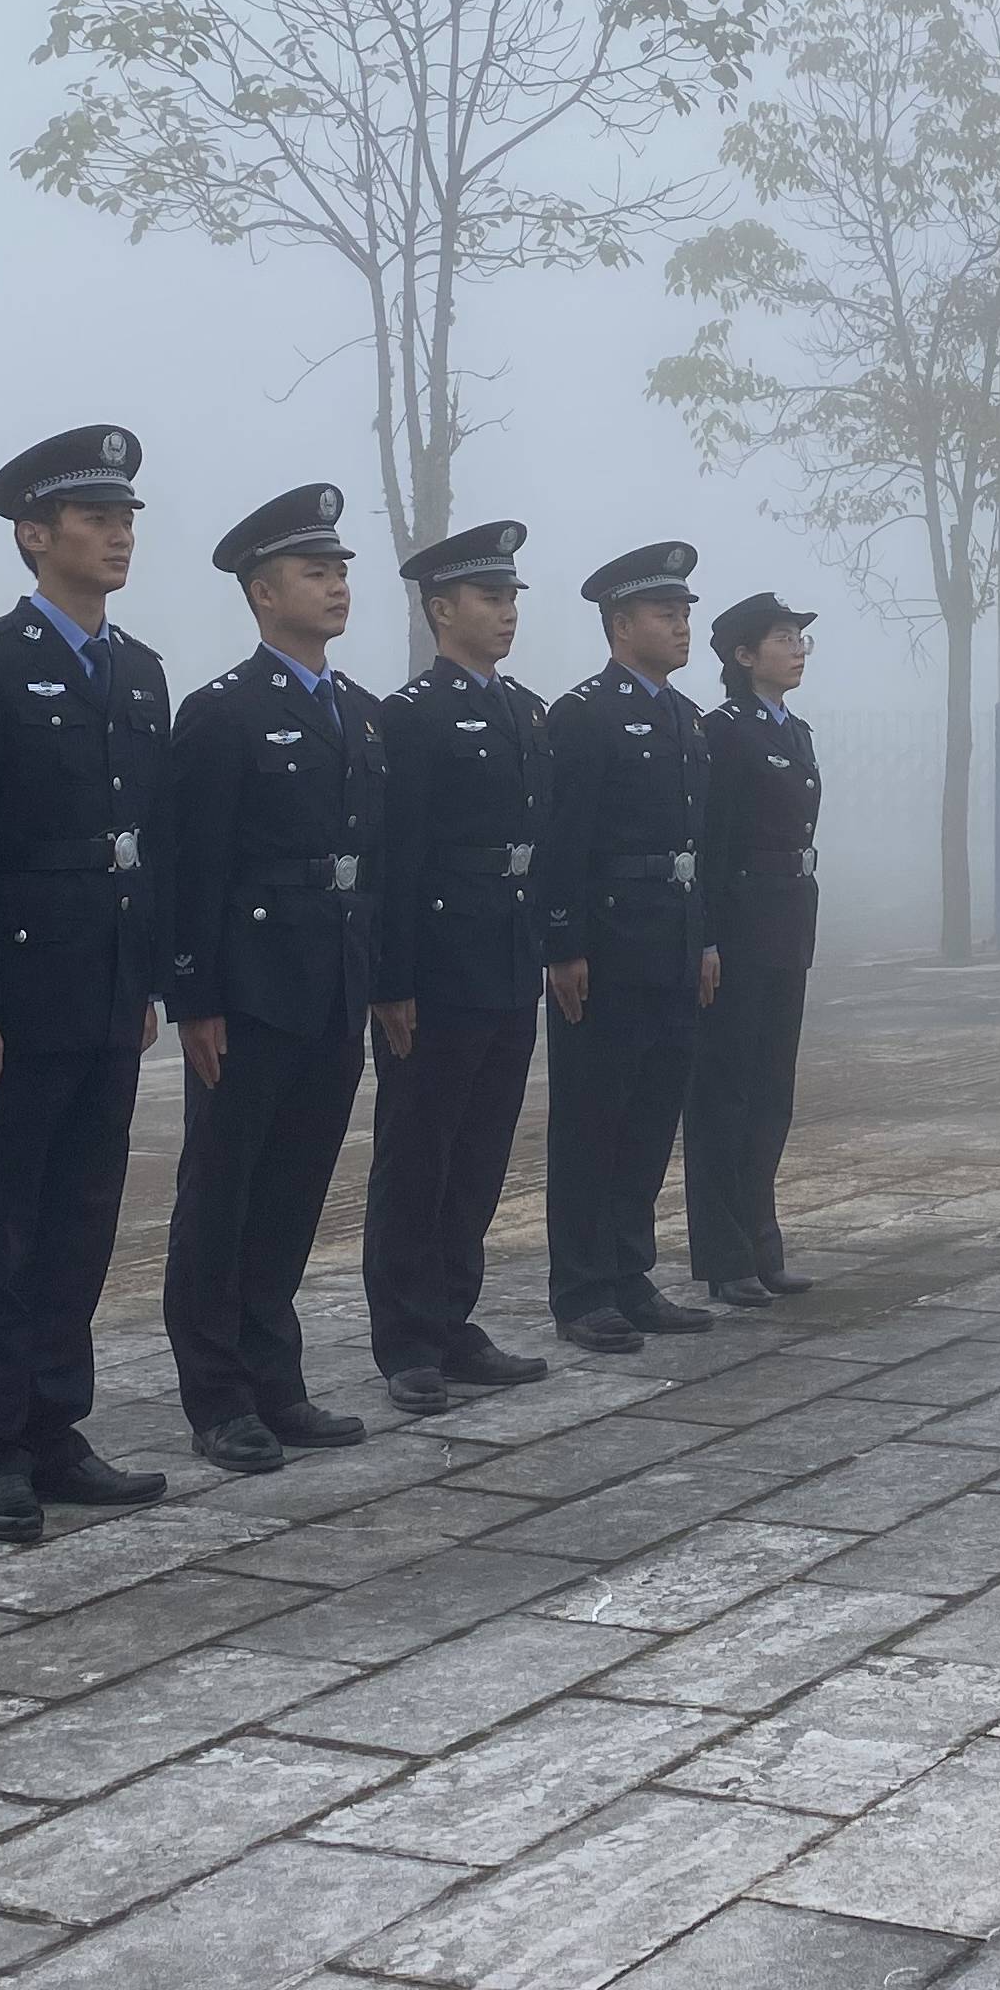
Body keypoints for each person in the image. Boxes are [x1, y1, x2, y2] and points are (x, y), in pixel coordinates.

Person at [0, 425, 171, 1541]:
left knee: (84, 1213)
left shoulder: (139, 671)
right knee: (4, 1220)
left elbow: (148, 841)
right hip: (21, 990)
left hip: (107, 983)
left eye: (126, 516)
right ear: (35, 537)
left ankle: (55, 1427)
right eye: (93, 518)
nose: (119, 534)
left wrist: (147, 980)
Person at [161, 482, 388, 1471]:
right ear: (262, 592)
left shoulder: (362, 716)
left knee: (295, 1192)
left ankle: (276, 1379)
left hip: (331, 983)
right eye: (313, 572)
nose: (336, 586)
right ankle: (217, 1397)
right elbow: (192, 867)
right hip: (250, 989)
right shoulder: (222, 715)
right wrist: (196, 998)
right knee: (224, 1193)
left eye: (340, 570)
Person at [363, 522, 560, 1416]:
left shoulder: (525, 711)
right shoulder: (407, 718)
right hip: (438, 965)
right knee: (420, 1151)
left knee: (480, 1152)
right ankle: (405, 1338)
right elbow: (394, 857)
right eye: (489, 598)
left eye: (512, 596)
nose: (507, 612)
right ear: (441, 610)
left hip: (506, 954)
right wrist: (391, 980)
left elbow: (541, 846)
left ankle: (453, 1318)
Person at [538, 541, 721, 1354]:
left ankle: (630, 1272)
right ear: (620, 624)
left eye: (685, 612)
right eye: (664, 613)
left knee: (650, 1117)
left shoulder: (685, 717)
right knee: (593, 1120)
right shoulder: (582, 715)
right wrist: (564, 945)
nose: (682, 626)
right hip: (608, 948)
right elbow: (562, 838)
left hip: (674, 943)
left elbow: (699, 843)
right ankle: (582, 1288)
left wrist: (706, 937)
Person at [688, 591, 824, 1309]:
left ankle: (763, 1241)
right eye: (782, 638)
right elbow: (709, 845)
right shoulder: (724, 732)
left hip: (784, 926)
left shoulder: (793, 731)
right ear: (743, 656)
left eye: (801, 639)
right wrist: (705, 936)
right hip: (737, 930)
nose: (797, 649)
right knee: (724, 1096)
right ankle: (723, 1254)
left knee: (771, 1095)